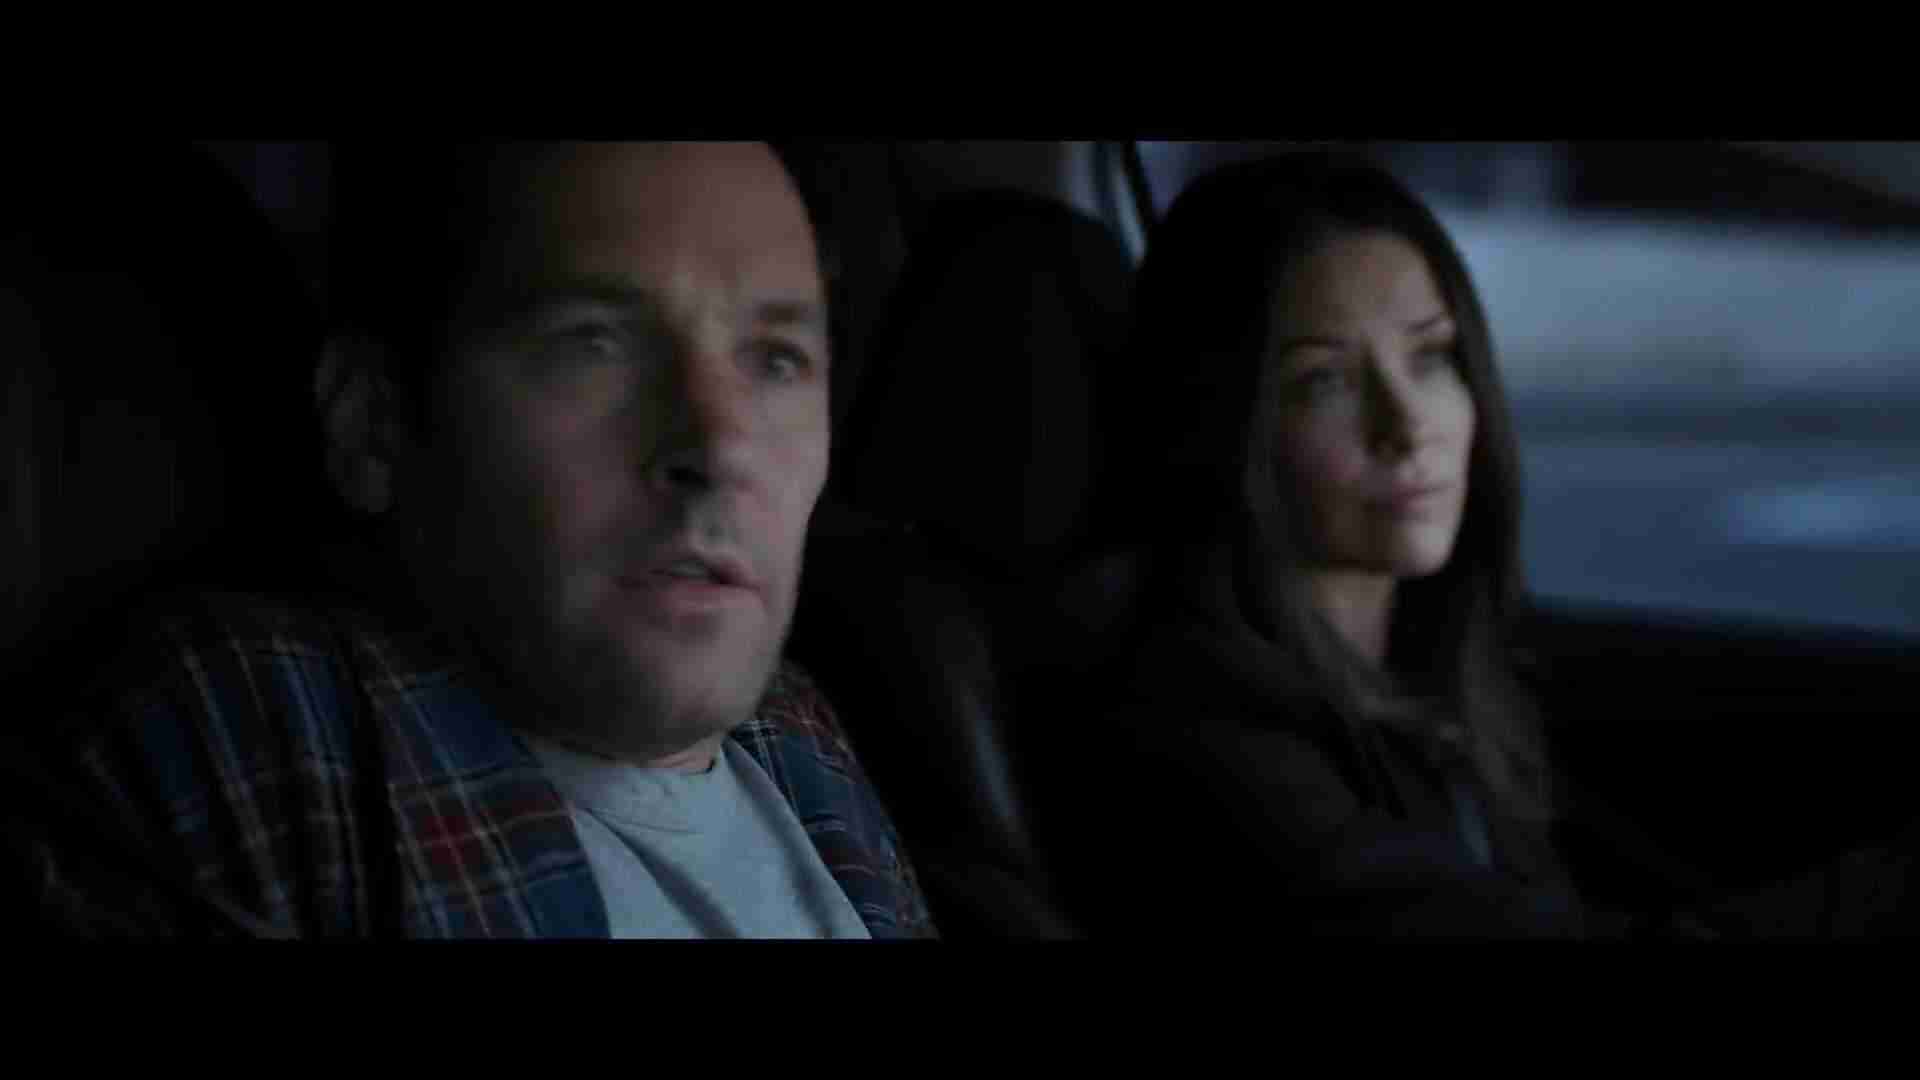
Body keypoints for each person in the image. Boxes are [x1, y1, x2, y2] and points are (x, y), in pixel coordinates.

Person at [13, 141, 935, 939]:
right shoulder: (253, 727)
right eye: (594, 343)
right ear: (377, 427)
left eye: (777, 361)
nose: (723, 446)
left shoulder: (798, 728)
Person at [1056, 149, 1914, 939]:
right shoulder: (1202, 739)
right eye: (1323, 381)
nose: (1407, 428)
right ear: (1217, 418)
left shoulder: (1428, 674)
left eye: (1431, 358)